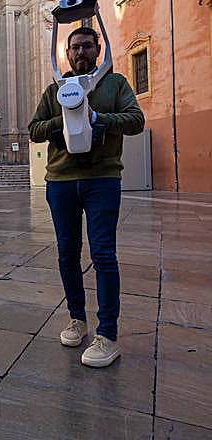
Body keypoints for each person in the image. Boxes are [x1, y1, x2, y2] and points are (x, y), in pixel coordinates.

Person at [28, 24, 144, 368]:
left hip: (102, 179)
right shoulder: (55, 90)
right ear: (67, 53)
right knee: (67, 253)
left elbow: (136, 120)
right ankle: (77, 319)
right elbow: (34, 129)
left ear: (99, 49)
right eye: (75, 47)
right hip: (61, 181)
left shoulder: (115, 84)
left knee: (104, 254)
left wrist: (97, 118)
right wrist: (61, 119)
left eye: (87, 47)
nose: (81, 53)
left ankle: (107, 334)